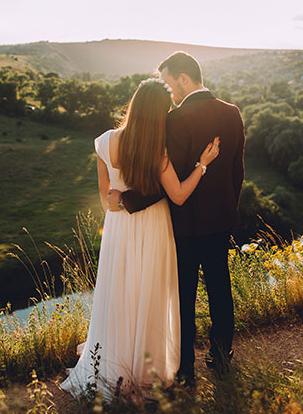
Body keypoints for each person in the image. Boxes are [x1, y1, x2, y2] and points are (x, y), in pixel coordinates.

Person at [60, 77, 220, 400]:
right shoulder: (158, 152)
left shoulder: (104, 143)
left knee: (119, 294)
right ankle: (145, 370)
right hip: (153, 229)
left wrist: (121, 198)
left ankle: (112, 368)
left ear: (134, 103)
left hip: (119, 231)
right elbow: (177, 196)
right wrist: (202, 166)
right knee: (149, 295)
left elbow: (108, 201)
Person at [108, 51, 245, 386]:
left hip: (183, 225)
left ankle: (185, 367)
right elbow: (237, 172)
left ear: (184, 78)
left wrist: (127, 201)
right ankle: (221, 356)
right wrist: (228, 210)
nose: (169, 92)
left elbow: (165, 183)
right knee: (220, 288)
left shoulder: (175, 120)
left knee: (182, 296)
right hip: (219, 222)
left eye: (170, 83)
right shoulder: (231, 113)